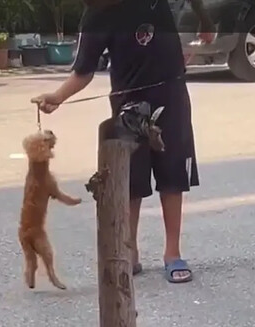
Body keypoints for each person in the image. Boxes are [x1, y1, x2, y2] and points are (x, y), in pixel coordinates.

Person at [31, 0, 214, 283]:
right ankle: (130, 252)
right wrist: (58, 97)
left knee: (173, 173)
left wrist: (205, 20)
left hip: (172, 93)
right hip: (129, 103)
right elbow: (83, 71)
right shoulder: (96, 15)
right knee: (131, 181)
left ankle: (172, 253)